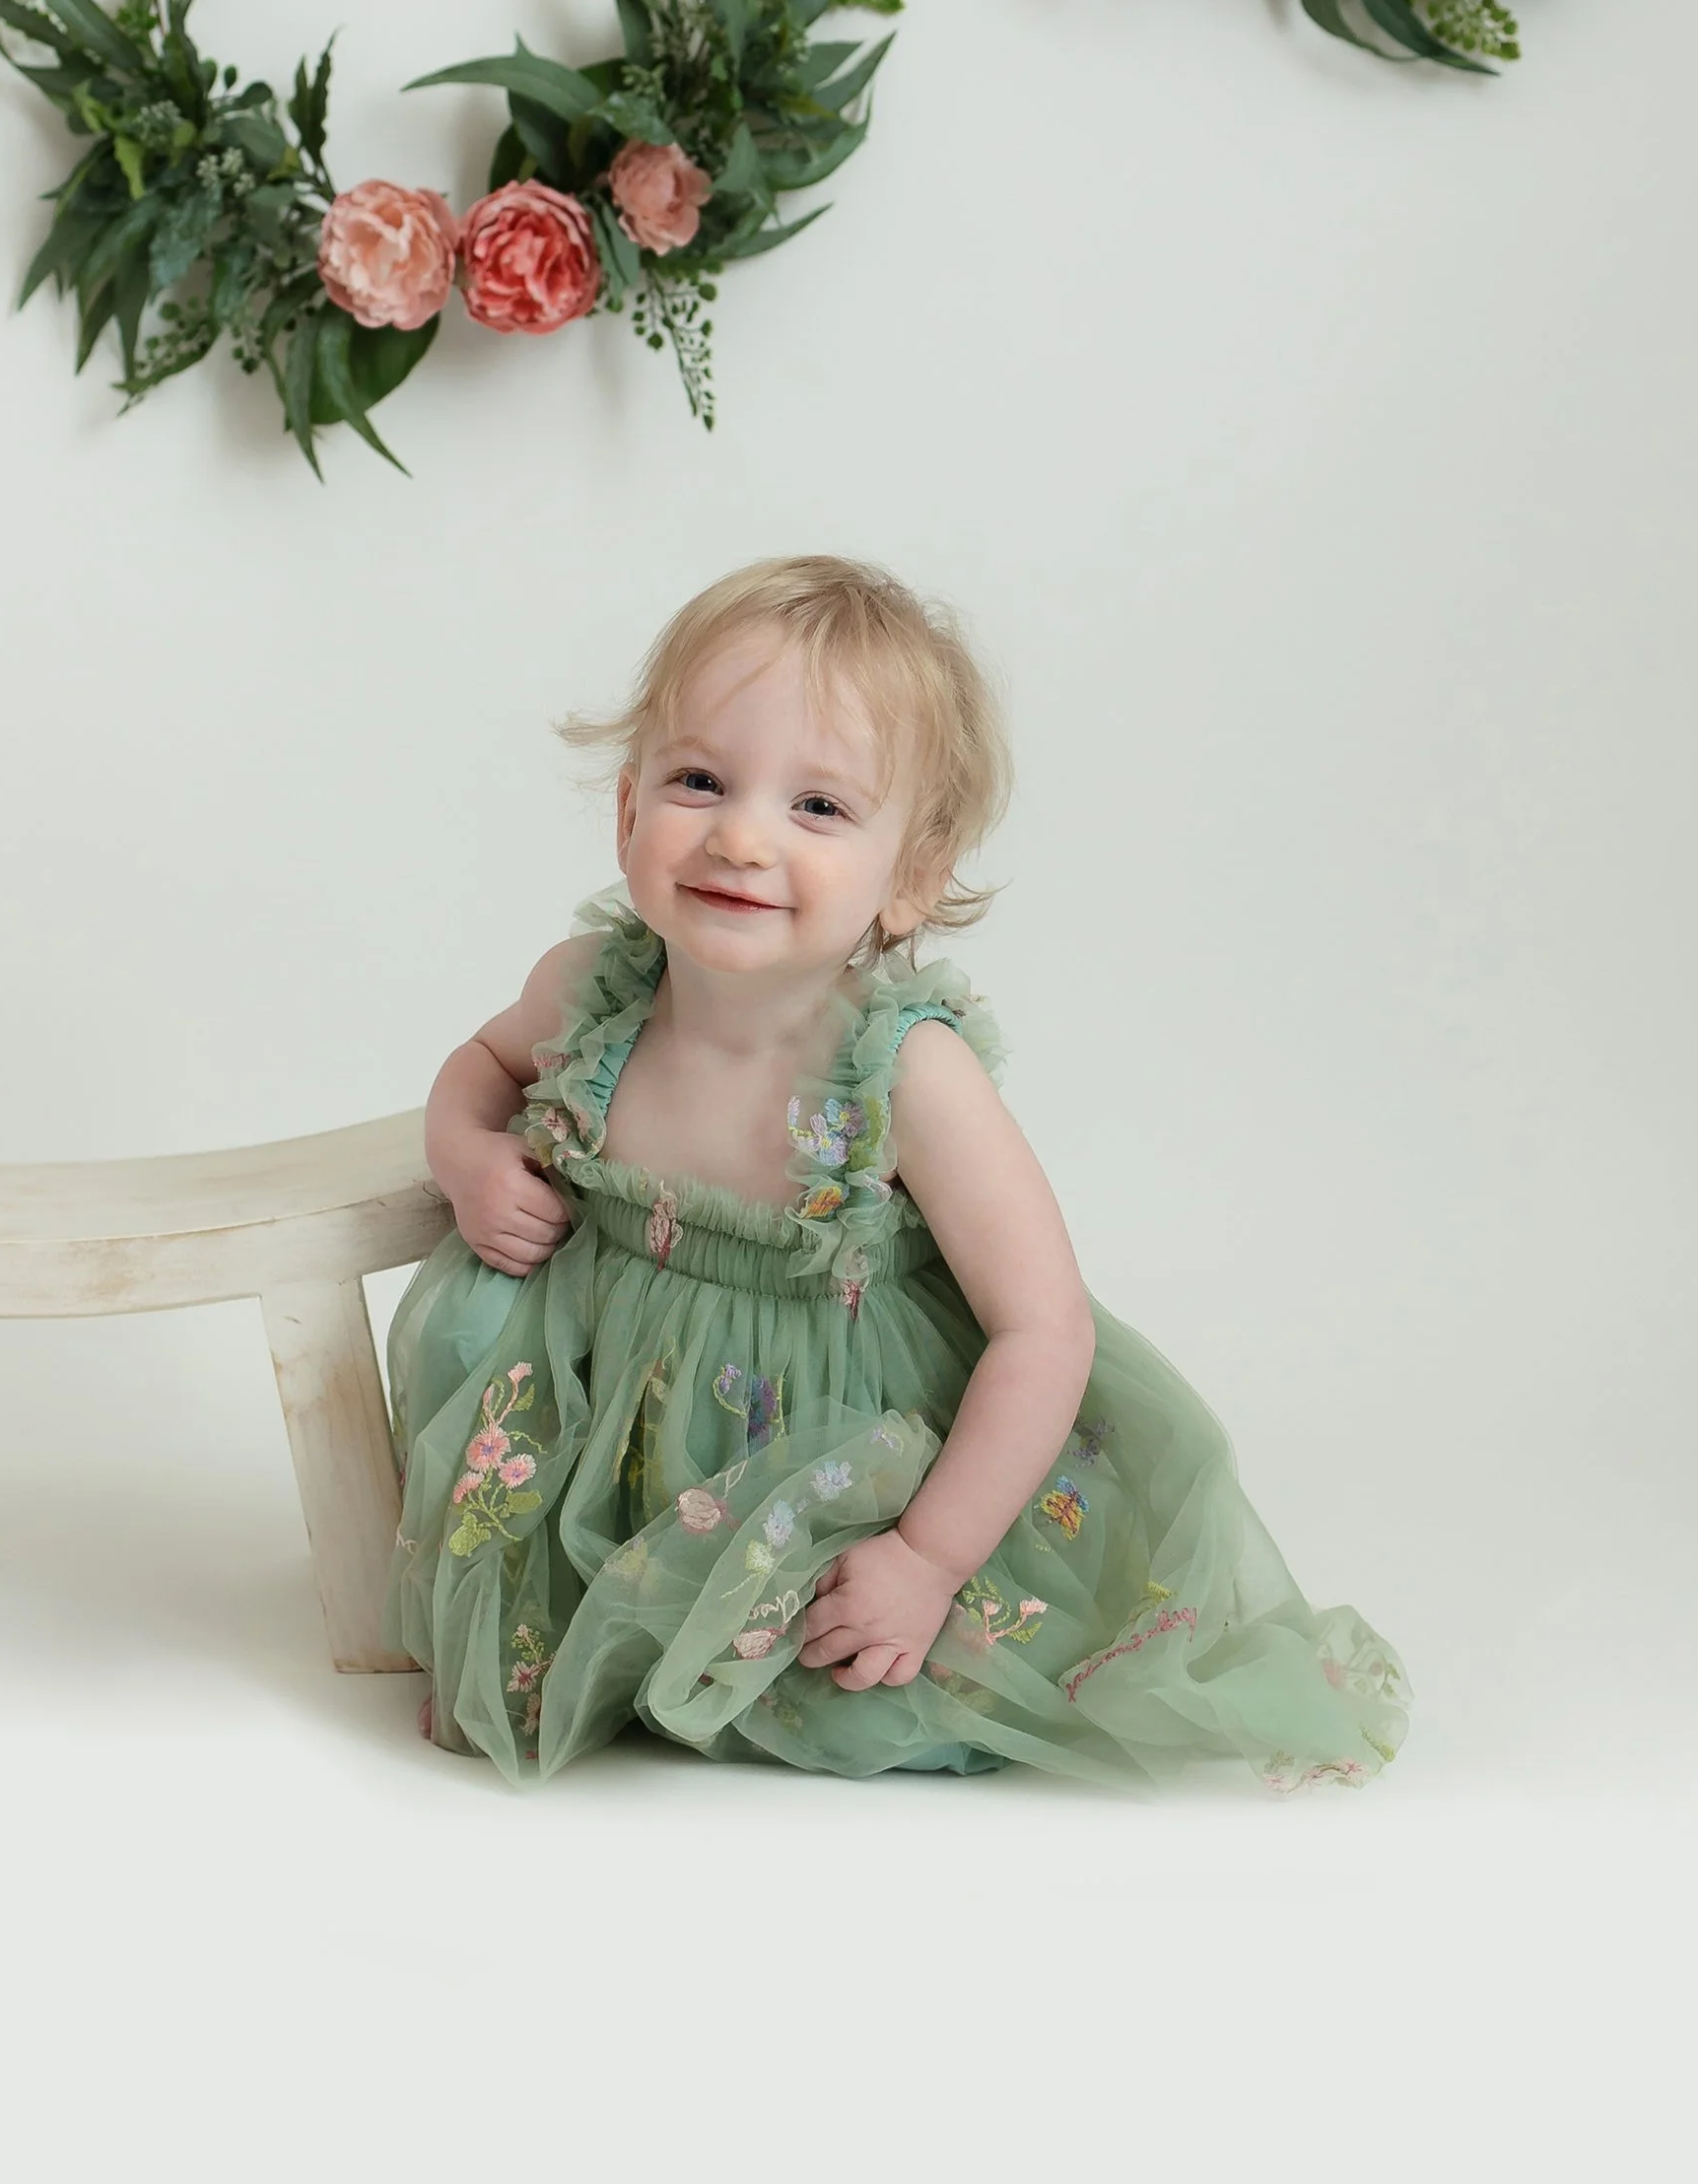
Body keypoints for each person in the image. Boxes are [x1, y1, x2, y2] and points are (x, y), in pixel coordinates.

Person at [386, 555, 1408, 1788]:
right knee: (481, 1368)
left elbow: (1043, 1331)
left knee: (869, 1688)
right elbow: (477, 1064)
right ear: (625, 812)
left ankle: (861, 1600)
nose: (741, 834)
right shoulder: (589, 993)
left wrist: (926, 1559)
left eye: (817, 808)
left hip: (830, 1435)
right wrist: (467, 1152)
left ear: (910, 877)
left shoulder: (903, 1076)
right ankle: (606, 1605)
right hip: (620, 1395)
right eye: (698, 779)